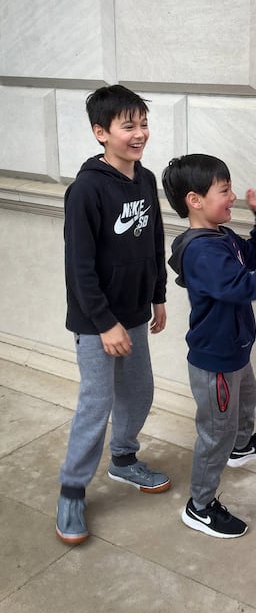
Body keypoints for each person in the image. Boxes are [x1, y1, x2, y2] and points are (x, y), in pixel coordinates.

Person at [161, 154, 256, 538]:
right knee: (214, 432)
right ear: (195, 200)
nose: (233, 196)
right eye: (224, 191)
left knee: (247, 399)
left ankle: (240, 446)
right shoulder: (202, 252)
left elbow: (252, 258)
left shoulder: (221, 237)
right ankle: (200, 505)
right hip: (215, 362)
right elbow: (246, 286)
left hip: (235, 348)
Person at [57, 85, 169, 546]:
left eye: (143, 123)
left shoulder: (145, 179)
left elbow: (155, 240)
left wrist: (158, 294)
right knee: (96, 403)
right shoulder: (86, 190)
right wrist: (103, 322)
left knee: (140, 390)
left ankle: (124, 459)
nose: (139, 133)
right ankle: (71, 489)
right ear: (101, 133)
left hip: (136, 313)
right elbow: (79, 267)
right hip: (95, 321)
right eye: (129, 126)